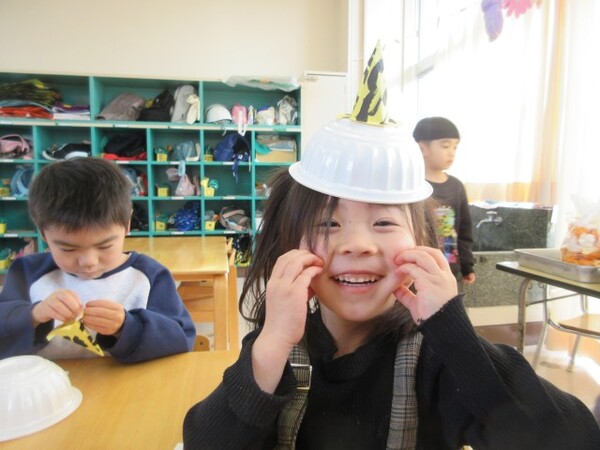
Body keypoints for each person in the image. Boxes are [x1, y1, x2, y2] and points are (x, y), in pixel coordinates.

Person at [182, 42, 600, 448]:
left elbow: (575, 438)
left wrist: (454, 334)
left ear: (421, 243)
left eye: (383, 222)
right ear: (291, 242)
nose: (357, 244)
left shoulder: (440, 358)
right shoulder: (277, 341)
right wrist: (271, 344)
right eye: (328, 222)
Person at [0, 157, 196, 362]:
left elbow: (182, 340)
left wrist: (126, 327)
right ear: (43, 234)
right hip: (45, 382)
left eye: (104, 246)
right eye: (68, 249)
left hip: (129, 382)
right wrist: (33, 316)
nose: (89, 262)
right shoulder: (28, 273)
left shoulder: (150, 276)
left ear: (127, 224)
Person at [413, 116, 476, 285]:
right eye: (445, 146)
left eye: (455, 147)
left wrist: (467, 266)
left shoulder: (456, 186)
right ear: (422, 148)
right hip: (416, 271)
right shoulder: (411, 185)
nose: (452, 152)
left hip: (449, 271)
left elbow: (464, 231)